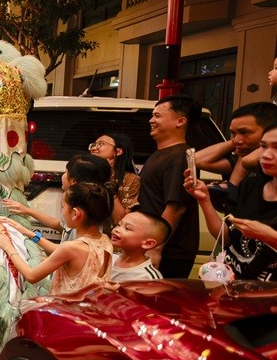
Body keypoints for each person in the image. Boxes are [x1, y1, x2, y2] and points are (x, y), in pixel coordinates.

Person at [186, 123, 277, 281]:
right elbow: (227, 238)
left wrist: (269, 236)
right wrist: (204, 200)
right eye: (263, 146)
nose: (266, 155)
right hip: (231, 286)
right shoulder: (250, 186)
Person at [0, 183, 115, 295]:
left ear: (75, 214)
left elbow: (31, 276)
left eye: (63, 207)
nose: (62, 212)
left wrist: (8, 247)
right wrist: (28, 232)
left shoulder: (71, 248)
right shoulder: (104, 240)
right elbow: (60, 251)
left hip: (65, 311)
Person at [137, 95, 201, 279]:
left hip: (170, 251)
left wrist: (156, 248)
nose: (151, 120)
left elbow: (176, 207)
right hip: (150, 242)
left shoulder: (180, 156)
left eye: (157, 116)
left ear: (180, 121)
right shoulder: (161, 153)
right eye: (152, 115)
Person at [3, 153, 113, 239]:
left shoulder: (83, 221)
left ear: (73, 181)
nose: (62, 176)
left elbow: (63, 251)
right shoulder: (86, 209)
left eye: (65, 172)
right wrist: (27, 210)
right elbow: (61, 225)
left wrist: (29, 234)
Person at [88, 132, 140, 220]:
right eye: (93, 144)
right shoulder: (86, 172)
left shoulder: (131, 179)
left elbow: (120, 219)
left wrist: (109, 182)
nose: (94, 148)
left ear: (118, 151)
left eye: (101, 143)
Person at [108, 211, 168, 282]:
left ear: (148, 243)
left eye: (127, 228)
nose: (116, 230)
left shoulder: (148, 277)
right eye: (119, 225)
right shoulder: (109, 257)